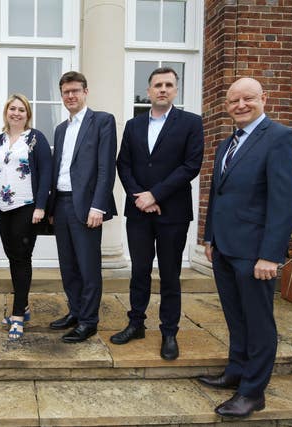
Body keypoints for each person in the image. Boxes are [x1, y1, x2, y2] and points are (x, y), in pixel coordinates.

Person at [200, 77, 292, 418]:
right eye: (233, 101)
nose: (240, 105)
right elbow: (218, 194)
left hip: (256, 253)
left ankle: (252, 392)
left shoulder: (281, 139)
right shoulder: (226, 143)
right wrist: (210, 237)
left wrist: (271, 254)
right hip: (225, 249)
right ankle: (236, 371)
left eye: (248, 98)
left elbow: (285, 202)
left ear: (264, 99)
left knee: (258, 323)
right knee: (235, 316)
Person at [112, 67, 204, 360]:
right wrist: (141, 197)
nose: (162, 89)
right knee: (139, 270)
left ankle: (169, 332)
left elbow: (191, 166)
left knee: (169, 275)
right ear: (149, 91)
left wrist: (156, 194)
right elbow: (123, 164)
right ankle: (136, 323)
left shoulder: (191, 123)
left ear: (175, 90)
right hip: (139, 212)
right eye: (157, 85)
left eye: (168, 85)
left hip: (173, 213)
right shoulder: (133, 125)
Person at [48, 71, 117, 343]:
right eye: (66, 92)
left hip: (87, 205)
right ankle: (75, 312)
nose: (71, 96)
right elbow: (58, 169)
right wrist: (52, 208)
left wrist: (98, 206)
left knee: (88, 267)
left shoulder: (102, 121)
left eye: (76, 90)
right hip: (62, 204)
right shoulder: (60, 129)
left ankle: (89, 321)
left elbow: (105, 167)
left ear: (86, 91)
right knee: (68, 266)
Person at [0, 93, 53, 340]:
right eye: (12, 109)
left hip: (27, 207)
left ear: (27, 114)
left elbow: (47, 172)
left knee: (22, 258)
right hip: (3, 209)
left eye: (21, 110)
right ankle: (23, 308)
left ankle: (17, 315)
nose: (16, 113)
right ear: (6, 112)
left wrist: (41, 206)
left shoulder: (35, 138)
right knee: (14, 258)